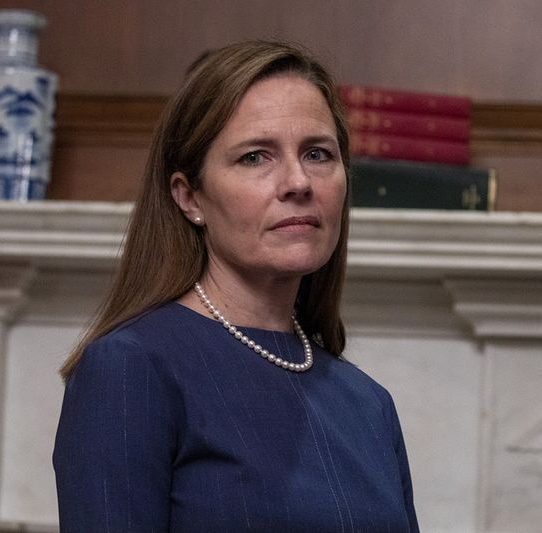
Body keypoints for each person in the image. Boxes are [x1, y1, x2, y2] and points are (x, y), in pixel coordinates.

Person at [53, 41, 419, 532]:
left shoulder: (369, 403)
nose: (297, 182)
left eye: (317, 154)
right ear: (189, 197)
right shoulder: (130, 368)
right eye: (255, 157)